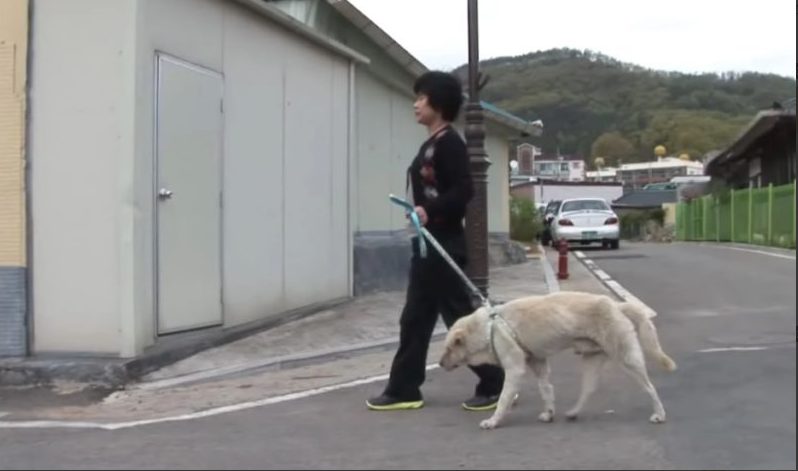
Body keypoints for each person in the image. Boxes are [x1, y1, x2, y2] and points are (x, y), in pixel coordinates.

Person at [366, 71, 504, 412]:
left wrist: (429, 211)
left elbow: (464, 190)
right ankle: (404, 388)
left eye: (421, 98)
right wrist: (421, 213)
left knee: (458, 316)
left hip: (443, 244)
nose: (415, 104)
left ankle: (496, 381)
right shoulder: (432, 143)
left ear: (438, 104)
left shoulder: (450, 144)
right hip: (428, 244)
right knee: (416, 318)